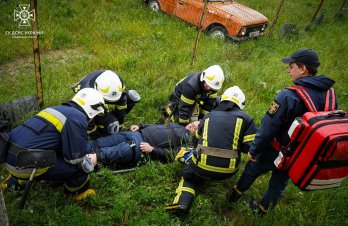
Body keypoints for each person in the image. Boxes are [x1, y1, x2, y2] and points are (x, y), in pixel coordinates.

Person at [227, 48, 338, 216]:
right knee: (279, 184)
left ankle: (233, 196)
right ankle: (262, 211)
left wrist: (254, 149)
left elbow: (267, 128)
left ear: (303, 69)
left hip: (276, 149)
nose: (288, 70)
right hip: (300, 154)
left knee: (252, 169)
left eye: (291, 66)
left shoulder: (288, 96)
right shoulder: (330, 96)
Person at [165, 86, 257, 215]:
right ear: (241, 104)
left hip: (202, 165)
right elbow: (250, 147)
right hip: (228, 170)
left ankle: (182, 203)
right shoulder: (246, 119)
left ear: (221, 100)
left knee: (190, 176)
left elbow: (195, 142)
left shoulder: (209, 116)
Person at [1, 88, 106, 201]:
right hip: (27, 164)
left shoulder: (53, 109)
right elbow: (75, 158)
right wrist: (88, 160)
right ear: (92, 109)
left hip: (9, 158)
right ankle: (77, 193)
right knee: (81, 165)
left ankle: (13, 182)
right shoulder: (77, 117)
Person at [86, 121, 200, 169]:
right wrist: (141, 126)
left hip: (142, 145)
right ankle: (82, 147)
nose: (192, 126)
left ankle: (96, 158)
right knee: (105, 141)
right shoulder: (177, 125)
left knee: (125, 149)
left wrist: (152, 149)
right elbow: (157, 125)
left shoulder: (188, 142)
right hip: (137, 133)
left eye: (195, 128)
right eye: (192, 124)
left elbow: (173, 154)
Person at [71, 70, 141, 139]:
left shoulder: (118, 81)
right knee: (107, 121)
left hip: (106, 94)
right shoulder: (87, 91)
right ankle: (102, 131)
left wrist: (120, 123)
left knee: (131, 98)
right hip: (91, 99)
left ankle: (113, 119)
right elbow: (90, 119)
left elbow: (122, 102)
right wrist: (95, 135)